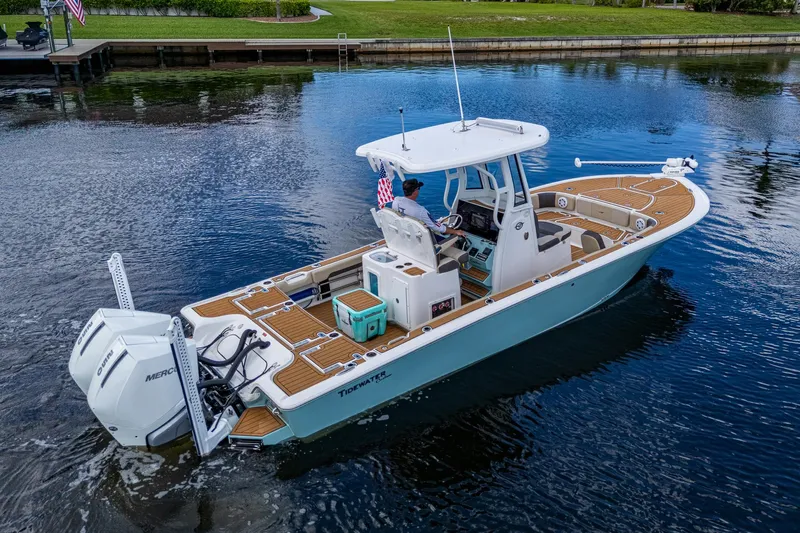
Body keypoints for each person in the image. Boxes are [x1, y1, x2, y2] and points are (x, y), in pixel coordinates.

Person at [391, 179, 465, 237]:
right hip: (419, 238)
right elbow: (436, 227)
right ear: (415, 192)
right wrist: (456, 231)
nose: (418, 190)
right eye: (418, 188)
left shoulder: (396, 201)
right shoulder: (421, 211)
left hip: (403, 233)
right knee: (453, 239)